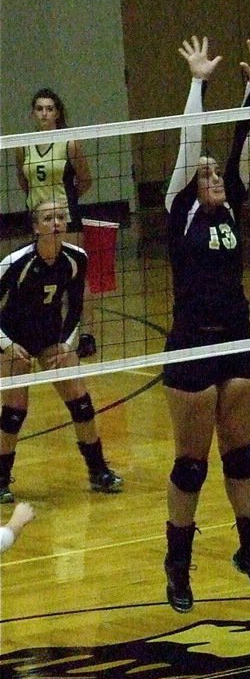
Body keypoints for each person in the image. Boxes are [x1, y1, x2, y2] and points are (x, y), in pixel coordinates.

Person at [161, 35, 250, 613]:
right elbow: (192, 144)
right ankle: (178, 567)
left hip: (237, 339)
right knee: (192, 463)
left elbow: (243, 143)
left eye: (214, 172)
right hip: (190, 346)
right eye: (203, 171)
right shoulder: (179, 207)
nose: (210, 173)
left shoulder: (230, 199)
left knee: (241, 454)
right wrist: (198, 84)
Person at [0, 199, 123, 504]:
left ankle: (98, 471)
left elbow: (76, 307)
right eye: (47, 218)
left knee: (81, 403)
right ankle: (1, 480)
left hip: (51, 338)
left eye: (60, 217)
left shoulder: (76, 258)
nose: (55, 223)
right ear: (35, 226)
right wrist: (7, 345)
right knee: (14, 412)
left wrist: (67, 344)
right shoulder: (15, 262)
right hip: (12, 339)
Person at [14, 89, 97, 359]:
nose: (44, 113)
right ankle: (49, 332)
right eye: (39, 109)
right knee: (43, 277)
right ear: (33, 113)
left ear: (57, 113)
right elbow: (23, 182)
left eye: (49, 109)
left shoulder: (69, 143)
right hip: (39, 220)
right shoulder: (22, 145)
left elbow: (85, 180)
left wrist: (63, 207)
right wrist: (41, 211)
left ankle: (86, 335)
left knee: (76, 276)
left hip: (67, 219)